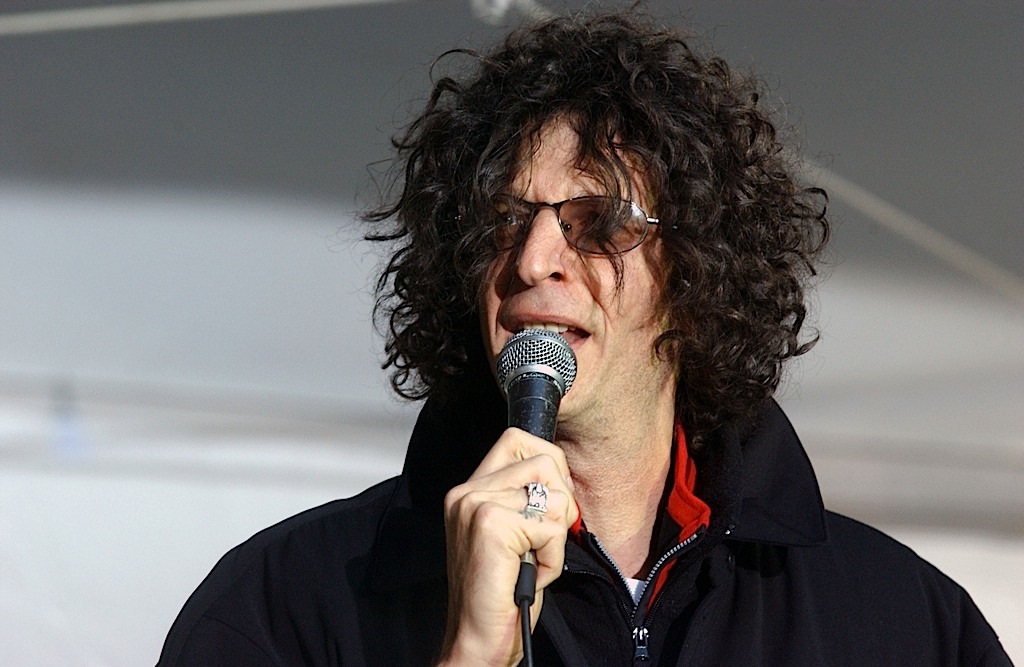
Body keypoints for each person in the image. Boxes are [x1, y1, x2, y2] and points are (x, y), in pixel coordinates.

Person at [158, 10, 1012, 666]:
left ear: (697, 270)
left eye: (599, 220)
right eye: (502, 219)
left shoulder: (903, 622)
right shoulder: (282, 605)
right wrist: (470, 655)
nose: (534, 258)